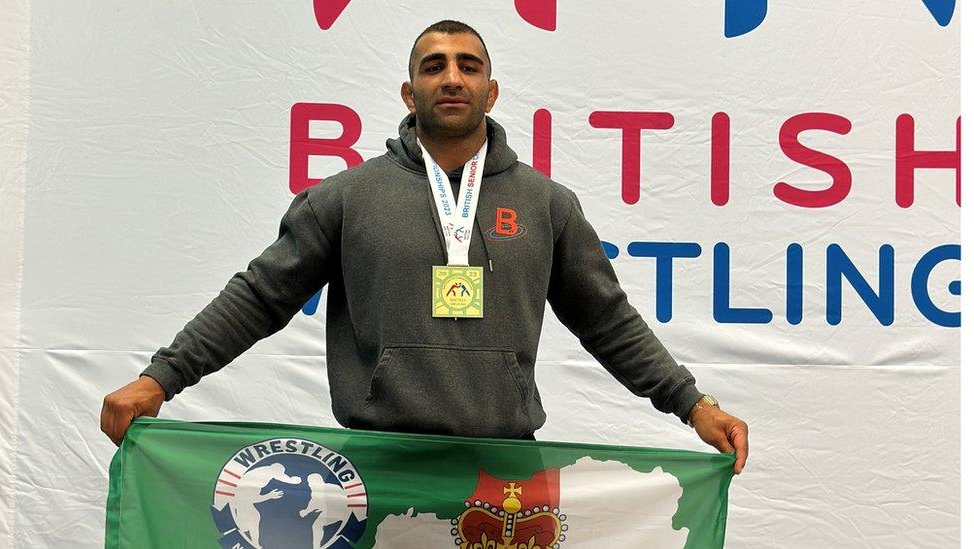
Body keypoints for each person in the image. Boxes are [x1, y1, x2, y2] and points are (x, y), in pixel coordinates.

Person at [100, 20, 749, 474]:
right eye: (433, 66)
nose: (452, 77)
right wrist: (162, 376)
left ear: (491, 91)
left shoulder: (547, 205)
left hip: (506, 469)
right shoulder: (347, 197)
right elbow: (258, 297)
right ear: (410, 94)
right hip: (379, 470)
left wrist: (693, 403)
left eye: (469, 65)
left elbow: (609, 322)